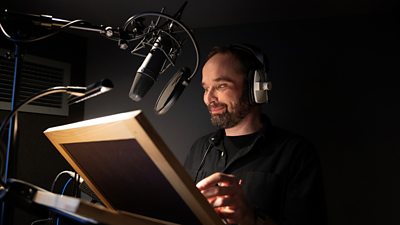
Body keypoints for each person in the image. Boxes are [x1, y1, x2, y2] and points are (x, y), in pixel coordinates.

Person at [184, 44, 326, 225]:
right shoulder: (199, 149)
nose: (209, 98)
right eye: (205, 88)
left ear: (255, 87)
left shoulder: (296, 153)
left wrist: (250, 219)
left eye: (221, 85)